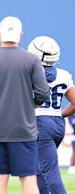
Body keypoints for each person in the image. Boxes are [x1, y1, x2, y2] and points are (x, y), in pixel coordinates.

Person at [0, 16, 50, 194]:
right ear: (20, 35)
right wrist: (29, 105)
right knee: (28, 178)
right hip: (24, 130)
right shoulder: (32, 60)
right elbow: (43, 93)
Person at [28, 36, 75, 193]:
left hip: (40, 123)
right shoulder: (64, 75)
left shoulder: (29, 73)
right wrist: (60, 115)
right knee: (38, 169)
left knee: (49, 172)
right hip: (56, 122)